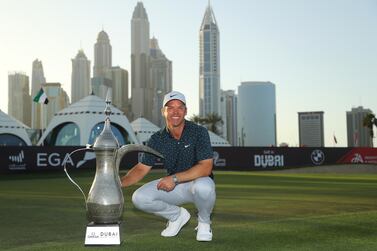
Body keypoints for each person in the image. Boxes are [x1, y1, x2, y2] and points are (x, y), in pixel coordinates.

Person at [121, 91, 216, 241]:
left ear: (185, 111)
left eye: (180, 107)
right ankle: (176, 216)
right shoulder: (157, 138)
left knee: (204, 187)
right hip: (175, 187)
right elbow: (141, 168)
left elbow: (205, 167)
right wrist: (118, 183)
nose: (175, 111)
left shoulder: (199, 132)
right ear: (163, 111)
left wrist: (175, 178)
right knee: (139, 198)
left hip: (197, 182)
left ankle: (204, 222)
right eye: (170, 107)